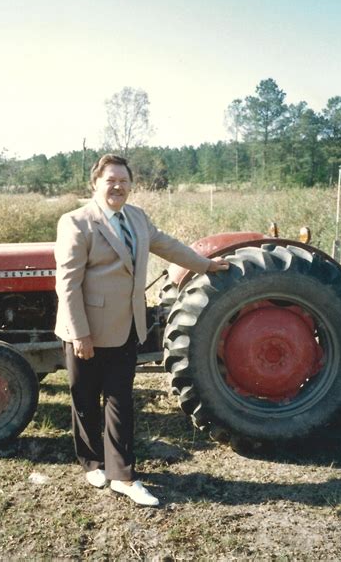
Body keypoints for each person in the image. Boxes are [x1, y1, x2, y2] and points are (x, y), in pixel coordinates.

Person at [54, 154, 229, 507]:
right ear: (95, 184)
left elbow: (168, 246)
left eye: (123, 181)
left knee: (120, 400)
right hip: (85, 328)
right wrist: (80, 334)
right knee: (85, 398)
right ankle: (91, 462)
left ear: (131, 186)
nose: (117, 186)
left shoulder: (136, 218)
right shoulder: (76, 223)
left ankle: (123, 476)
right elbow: (68, 284)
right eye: (110, 180)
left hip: (126, 326)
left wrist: (206, 264)